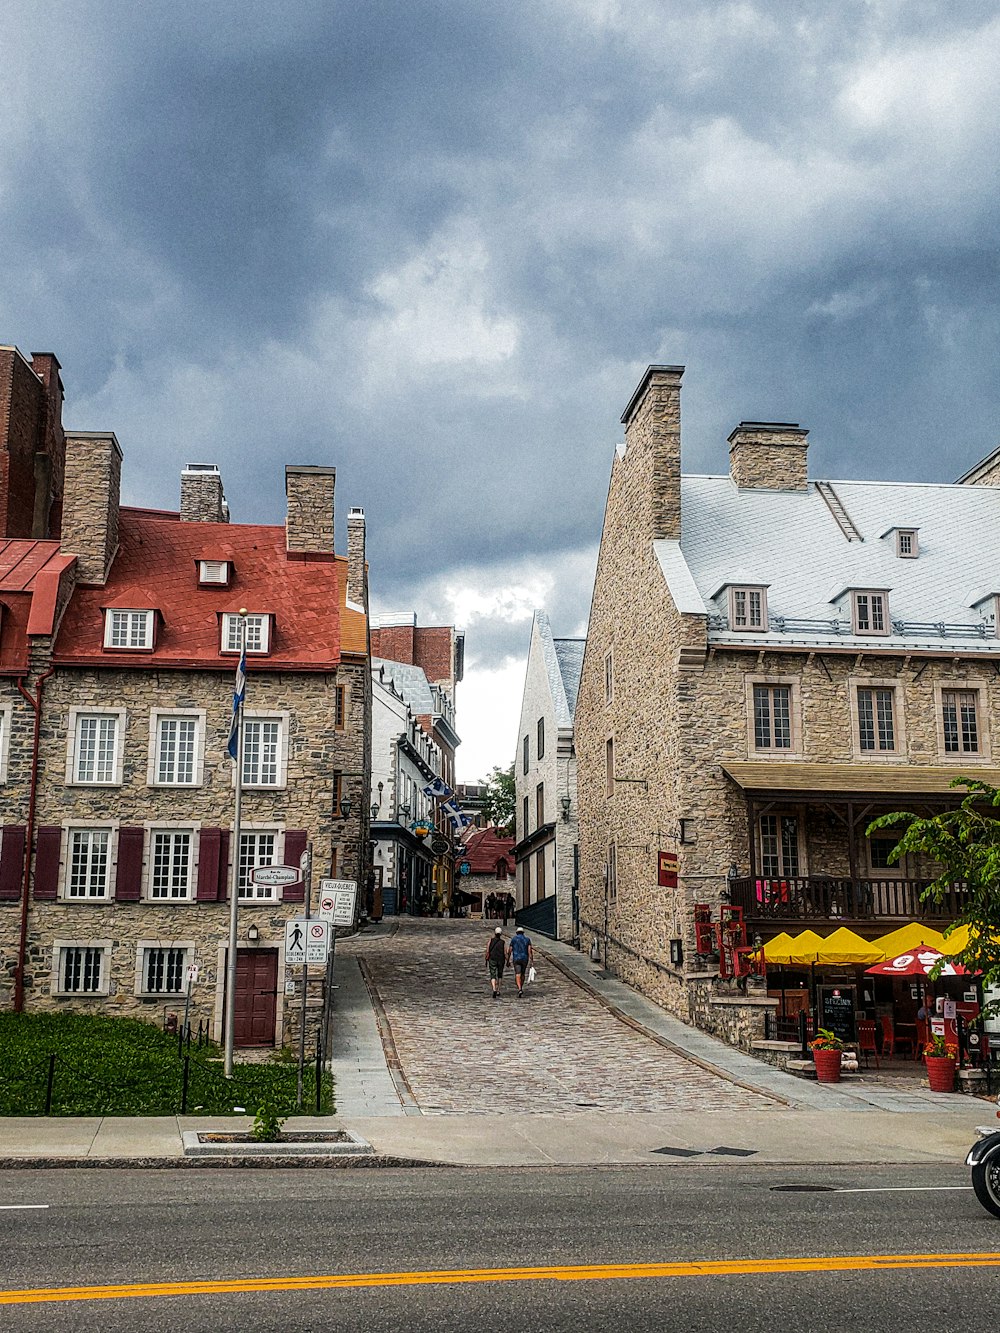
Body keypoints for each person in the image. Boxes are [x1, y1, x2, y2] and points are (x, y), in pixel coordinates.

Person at [507, 925, 534, 997]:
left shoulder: (514, 939)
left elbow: (510, 950)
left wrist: (508, 959)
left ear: (517, 933)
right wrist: (531, 960)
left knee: (517, 973)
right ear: (523, 933)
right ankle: (521, 987)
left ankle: (519, 988)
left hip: (516, 958)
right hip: (525, 958)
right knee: (523, 973)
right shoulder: (527, 940)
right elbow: (529, 950)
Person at [485, 926, 506, 999]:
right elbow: (505, 952)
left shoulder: (491, 940)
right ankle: (498, 990)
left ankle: (494, 988)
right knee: (500, 975)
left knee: (493, 974)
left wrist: (486, 957)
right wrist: (508, 960)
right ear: (500, 934)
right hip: (501, 959)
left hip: (492, 959)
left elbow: (487, 950)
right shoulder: (503, 942)